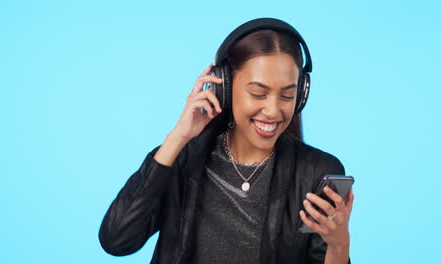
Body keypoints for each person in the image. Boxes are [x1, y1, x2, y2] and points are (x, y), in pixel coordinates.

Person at [98, 18, 355, 264]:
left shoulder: (315, 171)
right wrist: (177, 138)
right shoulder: (184, 157)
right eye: (258, 93)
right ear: (225, 88)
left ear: (300, 96)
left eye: (287, 96)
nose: (273, 111)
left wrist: (339, 244)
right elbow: (117, 240)